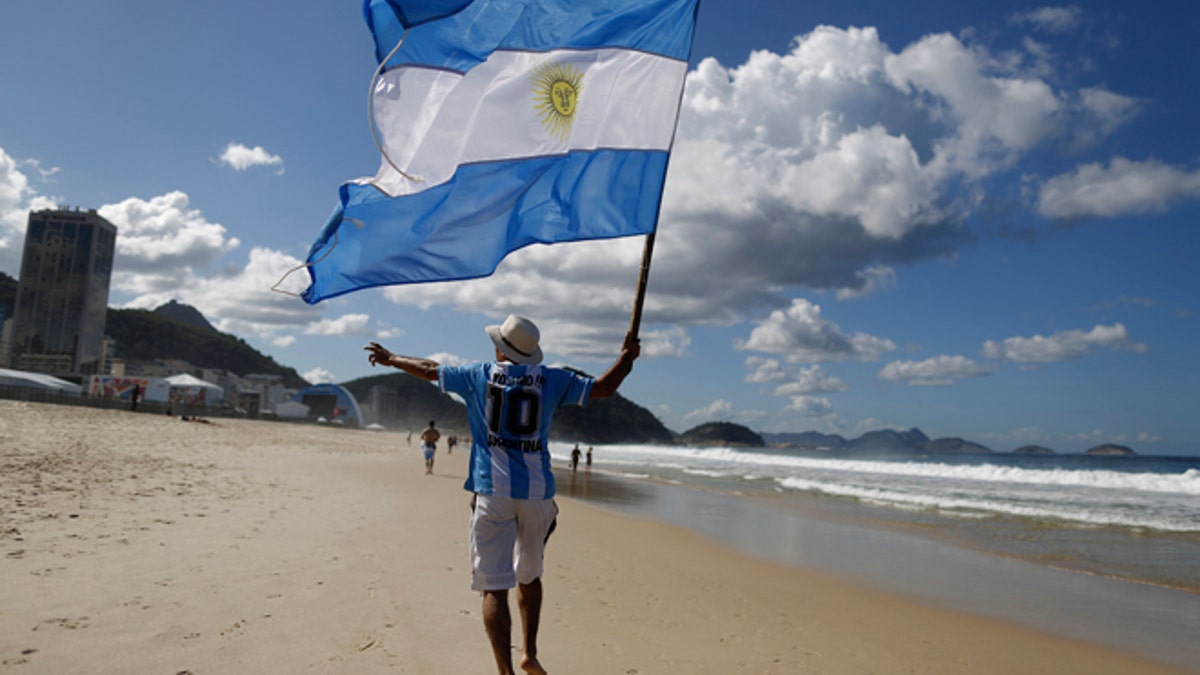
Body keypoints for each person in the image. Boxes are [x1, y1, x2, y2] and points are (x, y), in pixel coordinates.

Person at [365, 314, 638, 675]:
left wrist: (392, 358)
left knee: (494, 587)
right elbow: (603, 388)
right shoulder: (553, 379)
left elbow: (431, 369)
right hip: (538, 493)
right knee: (530, 573)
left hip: (492, 492)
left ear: (500, 349)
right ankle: (530, 652)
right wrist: (626, 359)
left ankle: (505, 672)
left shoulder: (478, 375)